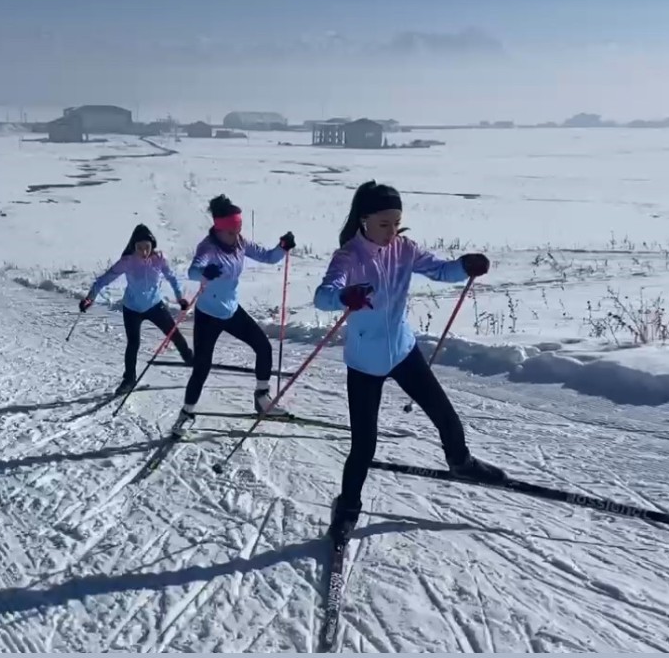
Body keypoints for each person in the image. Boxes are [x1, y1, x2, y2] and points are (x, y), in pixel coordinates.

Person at [313, 180, 507, 541]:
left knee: (445, 415)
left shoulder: (404, 248)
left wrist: (465, 265)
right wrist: (345, 295)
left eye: (396, 223)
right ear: (363, 219)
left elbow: (440, 270)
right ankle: (347, 509)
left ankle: (461, 463)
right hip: (365, 362)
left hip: (403, 350)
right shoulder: (348, 257)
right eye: (384, 224)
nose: (391, 231)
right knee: (363, 445)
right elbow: (323, 297)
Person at [173, 195, 295, 431]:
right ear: (219, 230)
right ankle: (187, 412)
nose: (235, 236)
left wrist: (281, 248)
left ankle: (262, 398)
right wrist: (205, 272)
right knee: (202, 367)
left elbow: (268, 257)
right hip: (208, 315)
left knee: (263, 346)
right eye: (231, 231)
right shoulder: (207, 247)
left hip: (230, 310)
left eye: (238, 230)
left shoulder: (240, 243)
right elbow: (193, 270)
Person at [80, 224, 194, 395]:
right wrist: (90, 297)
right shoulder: (127, 261)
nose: (144, 251)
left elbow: (172, 278)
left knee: (174, 334)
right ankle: (129, 379)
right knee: (133, 344)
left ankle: (190, 359)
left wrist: (180, 298)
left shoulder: (160, 259)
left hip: (155, 305)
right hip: (132, 308)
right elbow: (105, 279)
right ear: (134, 246)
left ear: (152, 245)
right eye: (139, 248)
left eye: (147, 247)